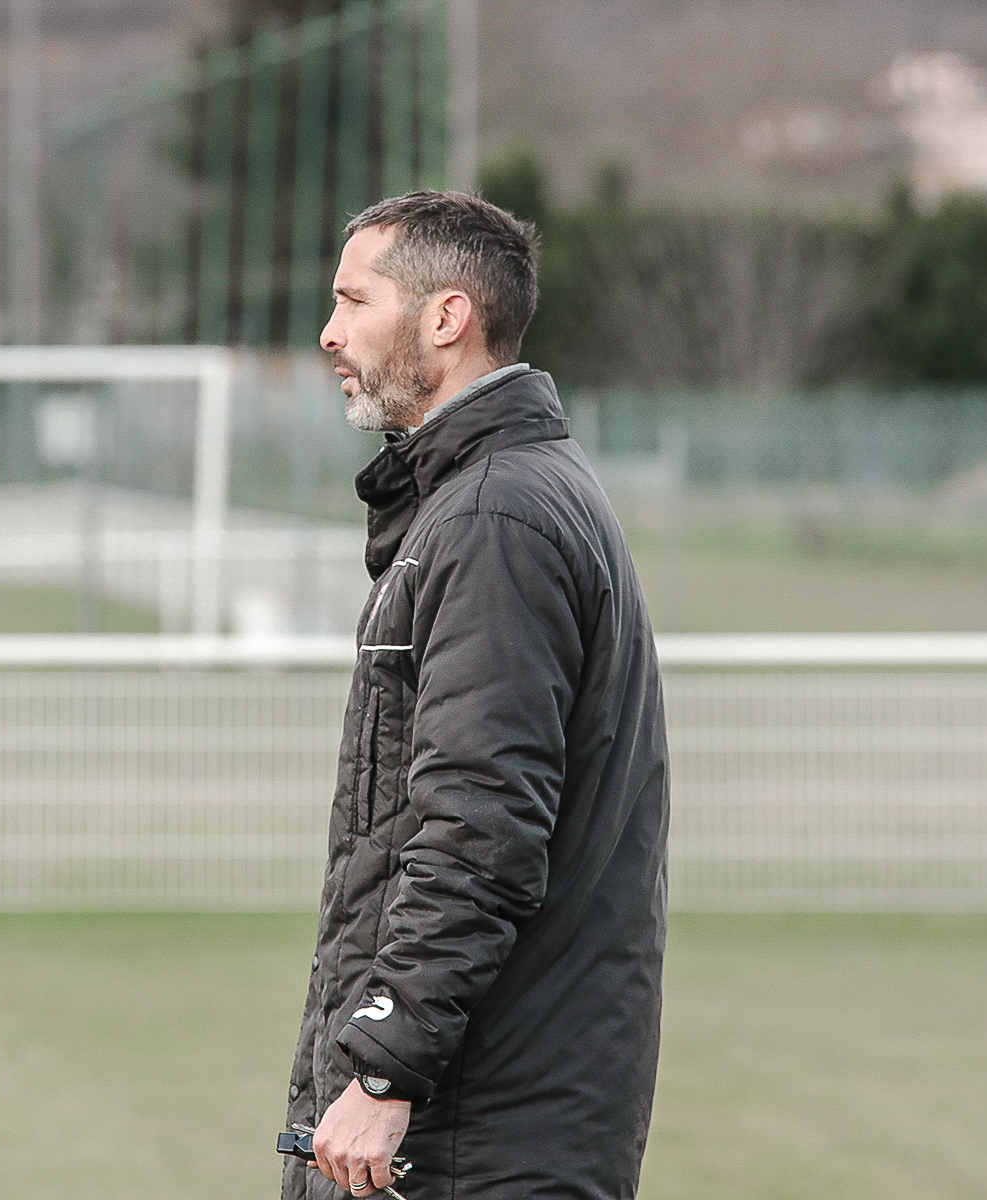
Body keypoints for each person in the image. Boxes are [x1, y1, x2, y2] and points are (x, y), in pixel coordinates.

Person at [282, 190, 669, 1200]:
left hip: (478, 1130)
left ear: (446, 317)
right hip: (484, 1113)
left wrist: (385, 1065)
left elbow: (479, 824)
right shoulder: (493, 496)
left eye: (353, 301)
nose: (329, 333)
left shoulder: (496, 518)